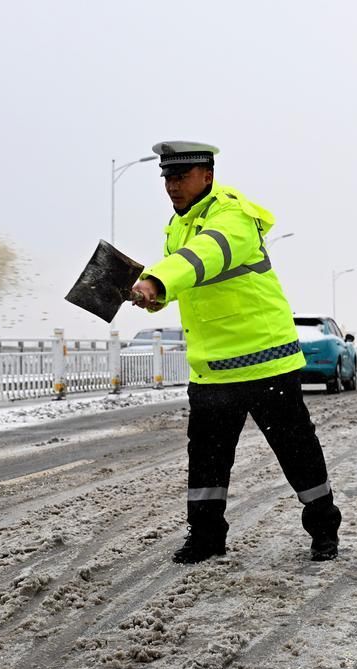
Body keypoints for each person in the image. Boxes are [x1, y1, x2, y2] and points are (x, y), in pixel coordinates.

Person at [129, 141, 341, 564]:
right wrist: (158, 296)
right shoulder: (178, 226)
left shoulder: (233, 216)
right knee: (206, 461)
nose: (172, 186)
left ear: (206, 175)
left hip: (265, 360)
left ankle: (323, 530)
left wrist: (158, 279)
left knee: (297, 452)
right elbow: (191, 276)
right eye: (167, 178)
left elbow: (206, 255)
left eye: (181, 176)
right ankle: (206, 539)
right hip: (212, 370)